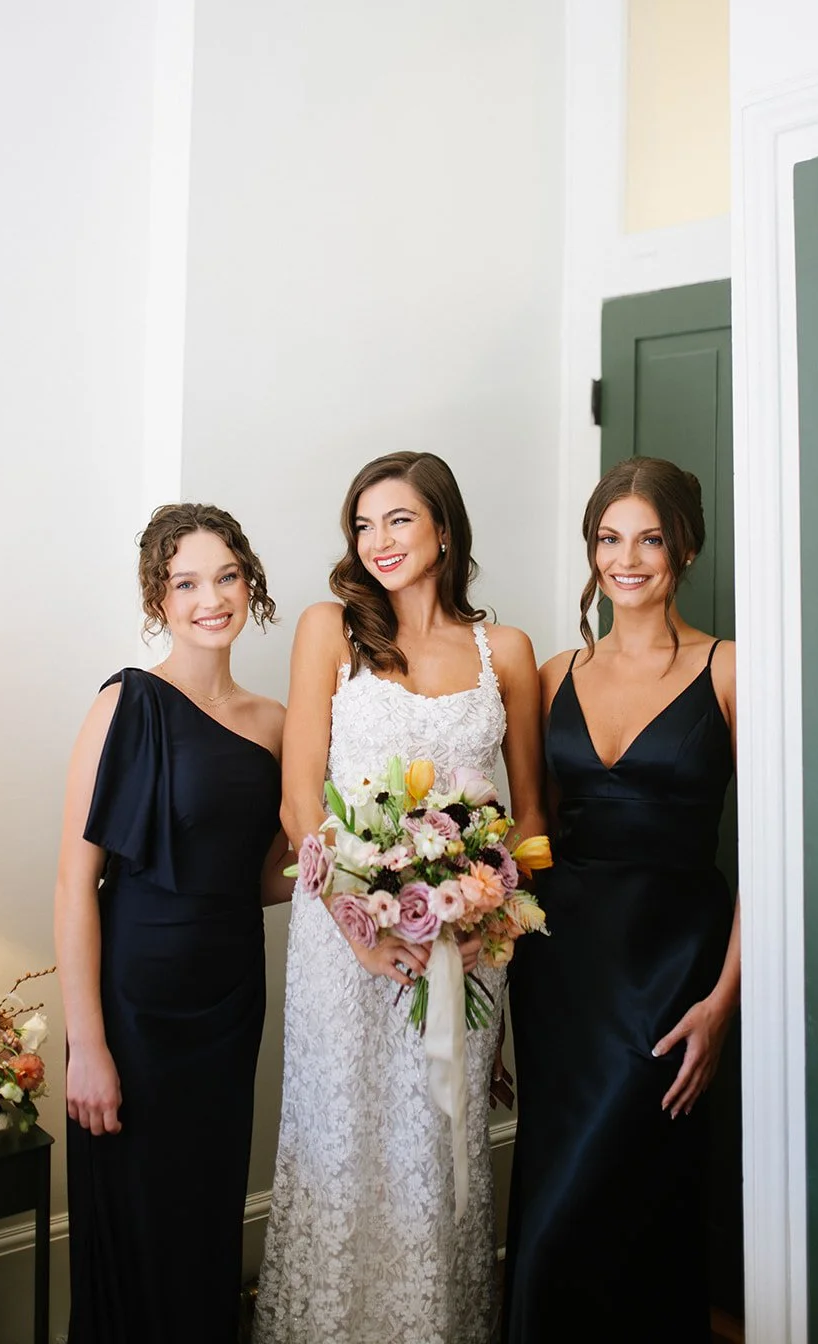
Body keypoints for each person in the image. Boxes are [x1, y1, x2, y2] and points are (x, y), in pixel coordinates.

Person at [253, 451, 543, 1344]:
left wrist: (483, 910)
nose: (377, 541)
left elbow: (528, 818)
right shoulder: (326, 630)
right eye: (363, 524)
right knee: (338, 1142)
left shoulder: (508, 652)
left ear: (444, 529)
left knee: (434, 1148)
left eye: (399, 520)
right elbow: (301, 801)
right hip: (340, 939)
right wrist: (360, 927)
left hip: (464, 949)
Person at [502, 456, 741, 1343]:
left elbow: (768, 856)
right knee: (555, 1182)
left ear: (684, 546)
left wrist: (720, 1004)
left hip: (670, 962)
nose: (625, 558)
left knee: (633, 1185)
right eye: (608, 538)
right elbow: (537, 833)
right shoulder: (557, 667)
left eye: (647, 537)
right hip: (560, 965)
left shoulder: (728, 669)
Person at [55, 503, 289, 1344]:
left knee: (203, 1222)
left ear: (249, 582)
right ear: (158, 598)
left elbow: (263, 875)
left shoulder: (276, 723)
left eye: (225, 576)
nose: (210, 598)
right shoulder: (125, 704)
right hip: (133, 1006)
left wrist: (367, 878)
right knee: (137, 1229)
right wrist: (87, 1048)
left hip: (227, 1002)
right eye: (186, 582)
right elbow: (74, 884)